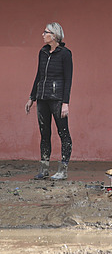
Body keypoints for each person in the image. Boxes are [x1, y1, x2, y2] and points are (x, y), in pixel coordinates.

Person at [25, 22, 73, 180]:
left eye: (46, 32)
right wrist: (32, 97)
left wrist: (65, 103)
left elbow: (68, 79)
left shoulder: (65, 54)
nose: (43, 35)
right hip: (42, 98)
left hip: (58, 99)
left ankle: (63, 170)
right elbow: (38, 75)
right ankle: (44, 169)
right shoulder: (43, 52)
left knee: (63, 133)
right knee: (44, 134)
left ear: (54, 36)